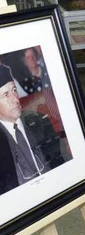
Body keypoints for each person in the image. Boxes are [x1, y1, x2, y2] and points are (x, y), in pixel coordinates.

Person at [0, 64, 69, 195]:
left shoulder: (41, 122)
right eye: (6, 94)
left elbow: (61, 163)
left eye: (14, 90)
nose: (15, 99)